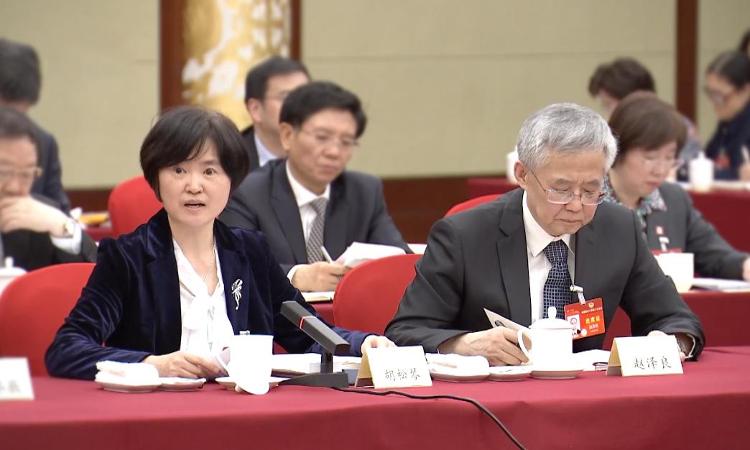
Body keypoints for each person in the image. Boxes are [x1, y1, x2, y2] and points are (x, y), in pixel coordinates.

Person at [45, 106, 392, 380]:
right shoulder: (128, 257)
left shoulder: (250, 252)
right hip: (159, 414)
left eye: (210, 171)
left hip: (247, 410)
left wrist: (363, 344)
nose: (194, 186)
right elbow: (66, 349)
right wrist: (152, 364)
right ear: (156, 180)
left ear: (231, 182)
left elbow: (306, 333)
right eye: (179, 171)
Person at [385, 103, 704, 366]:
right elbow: (405, 332)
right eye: (561, 189)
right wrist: (464, 344)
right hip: (493, 402)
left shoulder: (618, 229)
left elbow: (677, 319)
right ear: (522, 174)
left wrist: (669, 342)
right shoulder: (464, 236)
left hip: (586, 400)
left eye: (591, 190)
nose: (576, 205)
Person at [221, 81, 410, 292]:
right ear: (287, 135)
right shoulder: (247, 193)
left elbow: (399, 259)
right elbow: (235, 265)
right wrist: (295, 276)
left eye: (346, 142)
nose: (334, 152)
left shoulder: (364, 192)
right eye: (322, 137)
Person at [605, 93, 750, 280]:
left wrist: (744, 265)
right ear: (617, 149)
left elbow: (715, 256)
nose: (661, 170)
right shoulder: (589, 201)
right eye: (650, 157)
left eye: (669, 158)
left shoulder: (673, 199)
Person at [0, 107, 96, 270]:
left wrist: (63, 229)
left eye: (26, 174)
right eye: (4, 172)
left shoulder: (40, 216)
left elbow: (101, 278)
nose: (15, 188)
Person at [588, 57, 702, 178]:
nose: (608, 114)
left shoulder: (678, 128)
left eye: (608, 105)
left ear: (633, 100)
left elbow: (691, 172)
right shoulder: (609, 132)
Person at [0, 37, 70, 212]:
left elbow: (62, 212)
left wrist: (35, 210)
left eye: (20, 113)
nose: (11, 122)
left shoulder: (43, 142)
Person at [241, 56, 310, 172]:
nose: (301, 105)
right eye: (287, 97)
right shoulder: (227, 161)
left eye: (306, 97)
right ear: (255, 109)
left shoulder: (325, 156)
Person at [703, 51, 750, 180]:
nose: (714, 102)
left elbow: (738, 173)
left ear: (746, 90)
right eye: (710, 93)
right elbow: (707, 160)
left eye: (720, 96)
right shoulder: (727, 122)